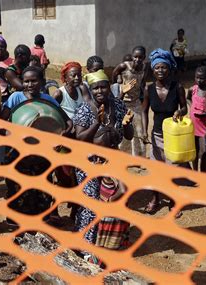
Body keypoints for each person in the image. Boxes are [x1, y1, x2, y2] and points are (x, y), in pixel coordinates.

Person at [73, 69, 134, 249]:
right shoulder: (85, 109)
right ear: (90, 90)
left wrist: (127, 125)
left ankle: (111, 241)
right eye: (96, 88)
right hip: (89, 163)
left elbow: (128, 136)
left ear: (110, 87)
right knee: (90, 206)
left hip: (113, 160)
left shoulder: (119, 106)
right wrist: (97, 123)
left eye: (103, 87)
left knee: (120, 200)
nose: (100, 91)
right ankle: (86, 246)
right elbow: (80, 138)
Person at [141, 48, 187, 213]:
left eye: (163, 67)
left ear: (170, 68)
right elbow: (144, 111)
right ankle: (155, 198)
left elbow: (184, 108)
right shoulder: (149, 89)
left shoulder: (178, 87)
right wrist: (144, 131)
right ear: (153, 70)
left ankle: (174, 200)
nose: (160, 71)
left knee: (172, 169)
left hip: (173, 135)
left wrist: (179, 112)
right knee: (156, 169)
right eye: (157, 68)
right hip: (157, 134)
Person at [112, 46, 148, 157]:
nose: (137, 59)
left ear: (144, 57)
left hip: (136, 103)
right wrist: (120, 87)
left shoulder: (145, 68)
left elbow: (143, 82)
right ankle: (123, 155)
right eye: (135, 57)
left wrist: (142, 91)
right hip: (123, 103)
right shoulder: (124, 66)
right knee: (124, 129)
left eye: (140, 57)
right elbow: (114, 75)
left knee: (138, 131)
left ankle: (137, 157)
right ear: (132, 57)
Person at [186, 65, 206, 171]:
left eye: (202, 78)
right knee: (194, 150)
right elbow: (188, 98)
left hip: (205, 124)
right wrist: (191, 106)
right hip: (194, 123)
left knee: (204, 150)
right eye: (197, 77)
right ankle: (195, 170)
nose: (199, 80)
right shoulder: (193, 89)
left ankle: (203, 171)